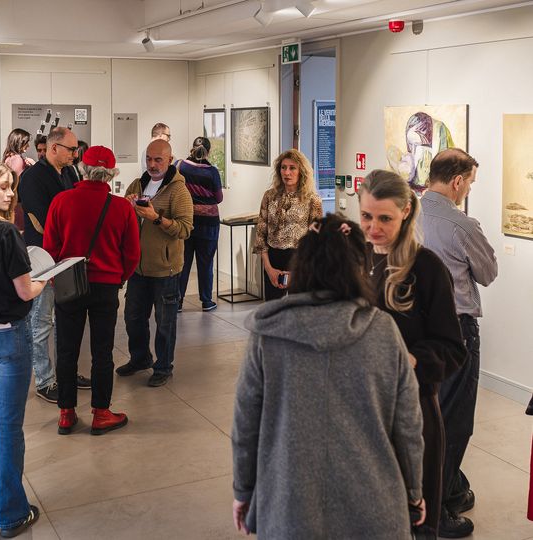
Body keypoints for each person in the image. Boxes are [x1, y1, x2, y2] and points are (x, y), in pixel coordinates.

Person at [232, 213, 426, 539]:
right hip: (373, 507)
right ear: (359, 266)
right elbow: (408, 424)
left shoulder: (268, 335)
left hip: (290, 508)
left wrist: (243, 489)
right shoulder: (382, 330)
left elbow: (246, 423)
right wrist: (414, 490)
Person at [358, 169, 467, 537]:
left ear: (405, 212)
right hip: (359, 412)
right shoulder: (354, 260)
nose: (373, 228)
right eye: (366, 216)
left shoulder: (427, 269)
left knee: (411, 524)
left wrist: (412, 360)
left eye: (384, 218)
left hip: (412, 413)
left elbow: (452, 348)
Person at [420, 148, 498, 537]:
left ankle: (450, 489)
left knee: (428, 414)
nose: (468, 190)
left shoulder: (407, 213)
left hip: (418, 331)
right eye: (469, 183)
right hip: (457, 331)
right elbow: (488, 273)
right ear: (457, 181)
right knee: (453, 420)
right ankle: (434, 510)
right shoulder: (461, 224)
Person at [43, 146, 140, 435]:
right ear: (111, 174)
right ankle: (101, 413)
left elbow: (50, 248)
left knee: (67, 349)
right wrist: (118, 277)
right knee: (102, 350)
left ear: (82, 169)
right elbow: (132, 254)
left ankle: (66, 413)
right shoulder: (121, 207)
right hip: (106, 285)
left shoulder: (61, 201)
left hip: (69, 283)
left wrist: (57, 277)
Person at [18, 127, 91, 404]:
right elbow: (41, 221)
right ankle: (45, 380)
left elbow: (76, 210)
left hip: (66, 257)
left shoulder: (70, 172)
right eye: (71, 150)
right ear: (53, 148)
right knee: (41, 322)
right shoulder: (32, 177)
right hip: (43, 258)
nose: (75, 154)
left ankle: (66, 373)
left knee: (66, 319)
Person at [0, 159, 45, 537]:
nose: (11, 194)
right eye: (3, 186)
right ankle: (11, 513)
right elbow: (25, 291)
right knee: (9, 426)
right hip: (9, 335)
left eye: (12, 186)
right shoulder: (6, 233)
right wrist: (44, 281)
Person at [116, 139, 193, 387]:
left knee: (165, 323)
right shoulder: (138, 184)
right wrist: (127, 207)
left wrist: (156, 218)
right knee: (133, 318)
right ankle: (140, 359)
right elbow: (123, 220)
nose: (152, 164)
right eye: (149, 159)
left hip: (165, 270)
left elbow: (185, 229)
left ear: (169, 160)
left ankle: (163, 367)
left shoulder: (179, 191)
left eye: (158, 159)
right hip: (137, 268)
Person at [254, 149, 322, 300]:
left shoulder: (312, 200)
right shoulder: (269, 196)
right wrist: (268, 268)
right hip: (273, 258)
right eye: (283, 167)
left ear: (301, 171)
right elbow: (261, 234)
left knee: (297, 309)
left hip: (299, 259)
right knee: (273, 308)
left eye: (292, 168)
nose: (287, 172)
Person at [177, 136, 223, 312]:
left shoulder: (180, 166)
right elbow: (219, 198)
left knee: (183, 262)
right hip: (209, 224)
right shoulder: (212, 171)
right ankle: (206, 301)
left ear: (192, 148)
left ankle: (178, 301)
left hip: (186, 220)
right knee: (206, 263)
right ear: (208, 152)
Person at [2, 128, 35, 231]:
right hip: (17, 203)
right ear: (19, 142)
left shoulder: (8, 157)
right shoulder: (17, 159)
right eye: (26, 143)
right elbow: (16, 184)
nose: (28, 146)